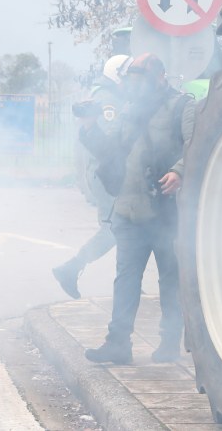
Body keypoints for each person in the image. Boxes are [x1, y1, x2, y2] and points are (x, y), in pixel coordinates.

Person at [78, 53, 194, 365]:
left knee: (170, 279)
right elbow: (110, 151)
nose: (134, 86)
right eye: (131, 80)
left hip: (166, 212)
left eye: (140, 79)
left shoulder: (183, 106)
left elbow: (196, 145)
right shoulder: (129, 109)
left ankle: (169, 342)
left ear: (160, 77)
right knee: (126, 279)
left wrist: (180, 171)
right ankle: (118, 343)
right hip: (129, 209)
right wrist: (89, 127)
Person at [53, 54, 128, 299]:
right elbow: (109, 138)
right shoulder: (109, 100)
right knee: (112, 230)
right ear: (118, 76)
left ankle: (129, 282)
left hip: (105, 175)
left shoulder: (108, 96)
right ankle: (70, 268)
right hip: (107, 177)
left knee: (123, 230)